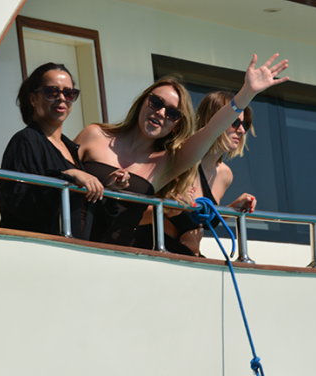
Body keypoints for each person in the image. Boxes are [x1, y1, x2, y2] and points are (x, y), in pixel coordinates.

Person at [75, 53, 288, 253]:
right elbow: (55, 171)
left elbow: (212, 130)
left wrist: (247, 94)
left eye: (172, 113)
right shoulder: (94, 134)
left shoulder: (168, 162)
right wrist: (81, 175)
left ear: (177, 126)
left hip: (117, 256)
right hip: (68, 241)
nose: (160, 112)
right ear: (142, 102)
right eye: (156, 102)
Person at [0, 62, 129, 239]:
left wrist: (107, 190)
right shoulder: (26, 140)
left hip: (73, 252)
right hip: (40, 252)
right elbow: (18, 203)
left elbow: (87, 217)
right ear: (33, 99)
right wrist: (67, 176)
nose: (61, 98)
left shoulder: (70, 149)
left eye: (69, 93)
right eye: (51, 92)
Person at [167, 91, 258, 256]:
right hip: (161, 253)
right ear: (215, 120)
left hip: (192, 259)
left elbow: (205, 220)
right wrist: (170, 206)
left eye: (245, 125)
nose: (242, 131)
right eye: (235, 122)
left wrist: (232, 208)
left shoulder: (225, 175)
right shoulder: (180, 159)